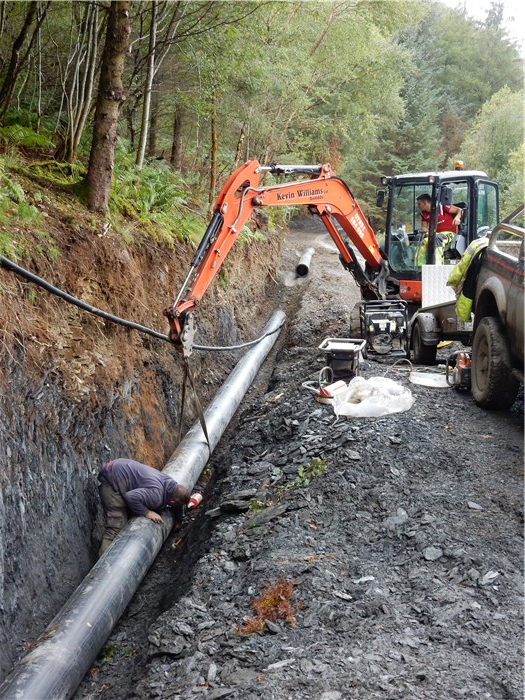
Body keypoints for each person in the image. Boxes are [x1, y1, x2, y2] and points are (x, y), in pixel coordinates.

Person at [97, 458, 189, 556]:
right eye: (176, 504)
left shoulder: (171, 485)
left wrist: (179, 520)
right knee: (117, 524)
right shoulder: (156, 495)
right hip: (110, 479)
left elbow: (178, 502)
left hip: (120, 467)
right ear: (172, 501)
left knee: (130, 511)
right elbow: (131, 497)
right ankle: (104, 564)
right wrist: (147, 512)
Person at [415, 193, 463, 266]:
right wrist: (425, 231)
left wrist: (457, 217)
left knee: (436, 238)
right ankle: (419, 266)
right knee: (419, 237)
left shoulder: (442, 206)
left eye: (419, 204)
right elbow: (424, 227)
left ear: (425, 203)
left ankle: (437, 265)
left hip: (449, 233)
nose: (418, 206)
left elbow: (459, 210)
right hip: (435, 233)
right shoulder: (424, 213)